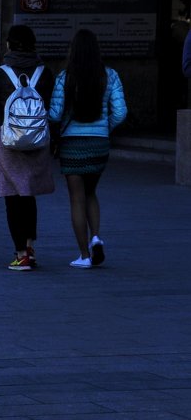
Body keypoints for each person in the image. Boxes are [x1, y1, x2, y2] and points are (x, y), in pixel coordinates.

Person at [48, 28, 128, 269]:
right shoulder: (110, 76)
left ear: (73, 50)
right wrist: (105, 128)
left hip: (72, 145)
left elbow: (54, 114)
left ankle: (84, 255)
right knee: (91, 192)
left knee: (76, 199)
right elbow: (121, 112)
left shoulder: (64, 78)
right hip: (99, 145)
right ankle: (96, 237)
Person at [0, 24, 54, 271]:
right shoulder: (45, 73)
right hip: (37, 142)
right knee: (28, 193)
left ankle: (20, 253)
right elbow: (52, 109)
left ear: (9, 45)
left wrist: (5, 135)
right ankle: (30, 247)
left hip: (7, 141)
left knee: (12, 198)